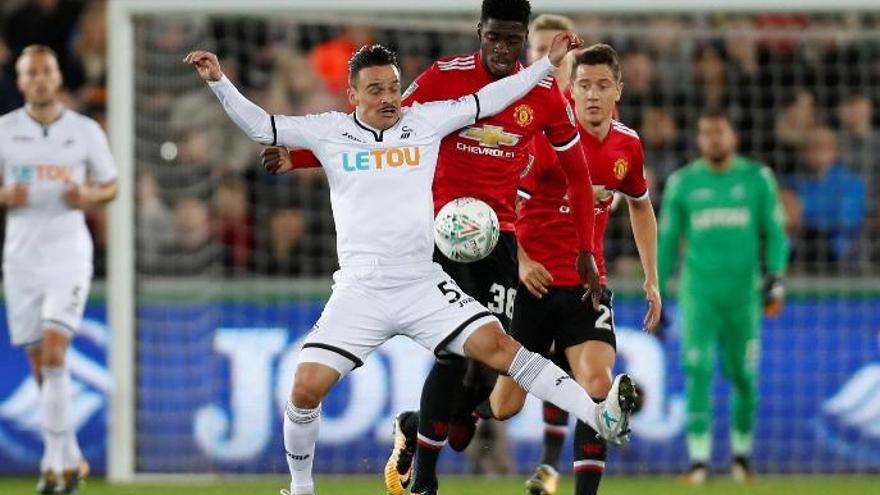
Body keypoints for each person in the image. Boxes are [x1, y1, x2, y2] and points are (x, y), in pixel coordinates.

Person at [186, 34, 634, 495]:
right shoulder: (328, 130)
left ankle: (599, 414)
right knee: (304, 388)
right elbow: (263, 126)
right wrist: (220, 82)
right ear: (353, 95)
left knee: (501, 350)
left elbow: (487, 99)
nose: (388, 98)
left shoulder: (422, 123)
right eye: (375, 90)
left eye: (393, 87)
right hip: (360, 290)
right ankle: (301, 488)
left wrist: (545, 66)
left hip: (421, 282)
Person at [484, 43, 661, 495]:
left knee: (598, 388)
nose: (593, 95)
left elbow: (641, 208)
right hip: (533, 288)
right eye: (584, 85)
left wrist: (652, 279)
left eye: (603, 85)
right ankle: (463, 395)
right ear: (572, 89)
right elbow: (506, 206)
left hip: (587, 286)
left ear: (618, 89)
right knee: (504, 406)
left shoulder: (628, 146)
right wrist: (521, 261)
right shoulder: (547, 139)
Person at [0, 44, 118, 494]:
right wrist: (4, 197)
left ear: (57, 77)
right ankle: (69, 455)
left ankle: (55, 468)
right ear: (20, 81)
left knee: (53, 353)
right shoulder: (5, 131)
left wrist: (87, 196)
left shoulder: (85, 131)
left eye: (46, 71)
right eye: (31, 73)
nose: (40, 79)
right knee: (39, 363)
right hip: (20, 256)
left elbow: (110, 186)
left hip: (68, 252)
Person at [658, 108, 789, 484]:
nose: (712, 139)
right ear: (699, 139)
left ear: (733, 136)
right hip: (699, 295)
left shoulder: (757, 179)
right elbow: (667, 242)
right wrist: (658, 288)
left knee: (744, 375)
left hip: (744, 297)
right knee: (697, 371)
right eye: (705, 133)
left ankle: (741, 456)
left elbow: (776, 233)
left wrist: (776, 276)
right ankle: (699, 461)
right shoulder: (683, 183)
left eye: (719, 132)